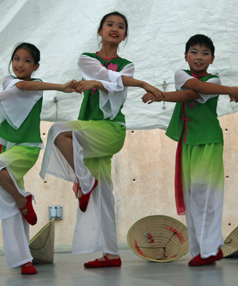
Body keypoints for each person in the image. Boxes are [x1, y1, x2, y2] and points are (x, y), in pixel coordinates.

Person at [39, 11, 164, 268]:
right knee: (104, 194)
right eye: (110, 24)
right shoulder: (87, 59)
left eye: (121, 26)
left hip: (111, 130)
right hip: (89, 129)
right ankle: (111, 254)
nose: (115, 28)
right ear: (100, 31)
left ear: (125, 35)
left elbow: (114, 84)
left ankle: (85, 183)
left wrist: (124, 82)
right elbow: (102, 76)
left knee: (59, 131)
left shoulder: (127, 65)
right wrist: (137, 83)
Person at [0, 43, 75, 274]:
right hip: (7, 148)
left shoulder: (35, 86)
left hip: (26, 149)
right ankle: (23, 260)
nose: (19, 64)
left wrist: (61, 87)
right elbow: (13, 89)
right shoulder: (8, 81)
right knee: (8, 206)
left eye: (27, 61)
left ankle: (21, 199)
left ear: (35, 66)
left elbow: (24, 86)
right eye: (16, 58)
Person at [142, 34, 238, 266]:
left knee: (205, 194)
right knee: (192, 197)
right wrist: (162, 95)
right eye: (194, 52)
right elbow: (189, 87)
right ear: (186, 56)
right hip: (188, 142)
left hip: (208, 140)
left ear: (212, 59)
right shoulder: (181, 74)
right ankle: (203, 250)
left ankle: (210, 249)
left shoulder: (215, 82)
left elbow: (194, 92)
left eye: (205, 53)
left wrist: (161, 95)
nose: (199, 57)